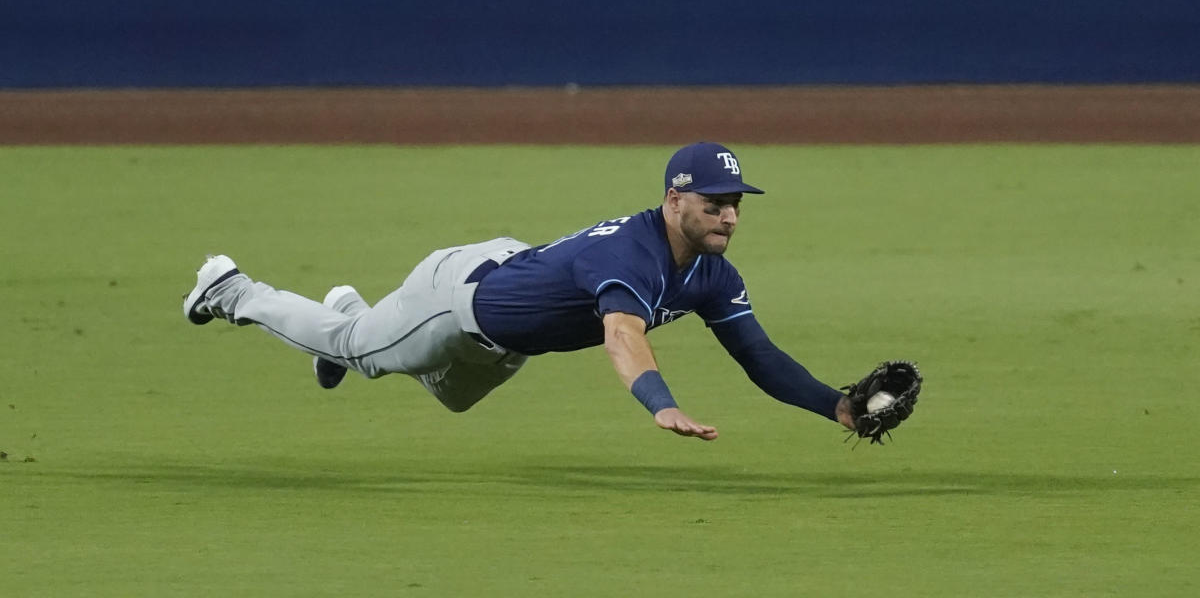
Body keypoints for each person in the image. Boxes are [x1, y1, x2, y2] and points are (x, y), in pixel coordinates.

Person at [183, 142, 857, 439]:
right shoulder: (635, 252)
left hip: (508, 325)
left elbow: (760, 358)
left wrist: (840, 408)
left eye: (736, 202)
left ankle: (355, 314)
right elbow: (622, 334)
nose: (730, 215)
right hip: (458, 300)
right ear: (674, 199)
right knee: (360, 352)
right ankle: (232, 287)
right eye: (714, 203)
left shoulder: (712, 275)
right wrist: (660, 404)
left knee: (450, 399)